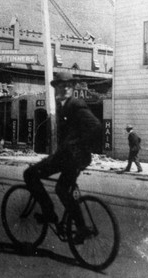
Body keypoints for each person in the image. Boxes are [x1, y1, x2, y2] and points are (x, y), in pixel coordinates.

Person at [23, 72, 102, 242]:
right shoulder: (63, 105)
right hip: (75, 157)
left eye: (68, 85)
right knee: (62, 189)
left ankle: (49, 213)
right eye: (61, 85)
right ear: (56, 88)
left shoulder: (75, 104)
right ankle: (81, 228)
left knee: (29, 175)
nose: (65, 88)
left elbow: (95, 126)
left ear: (73, 88)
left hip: (70, 157)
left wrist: (77, 144)